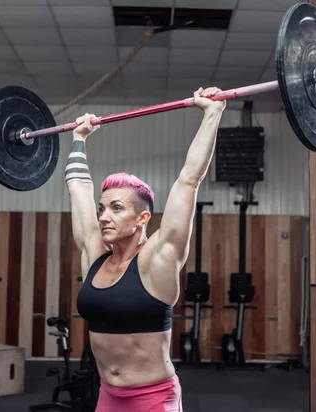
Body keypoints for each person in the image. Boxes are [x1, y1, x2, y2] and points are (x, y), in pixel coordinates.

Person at [66, 87, 226, 412]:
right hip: (108, 396)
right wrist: (79, 139)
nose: (104, 217)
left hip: (154, 400)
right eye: (102, 209)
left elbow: (189, 181)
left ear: (142, 218)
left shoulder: (158, 259)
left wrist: (212, 114)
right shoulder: (96, 256)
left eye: (115, 209)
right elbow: (78, 188)